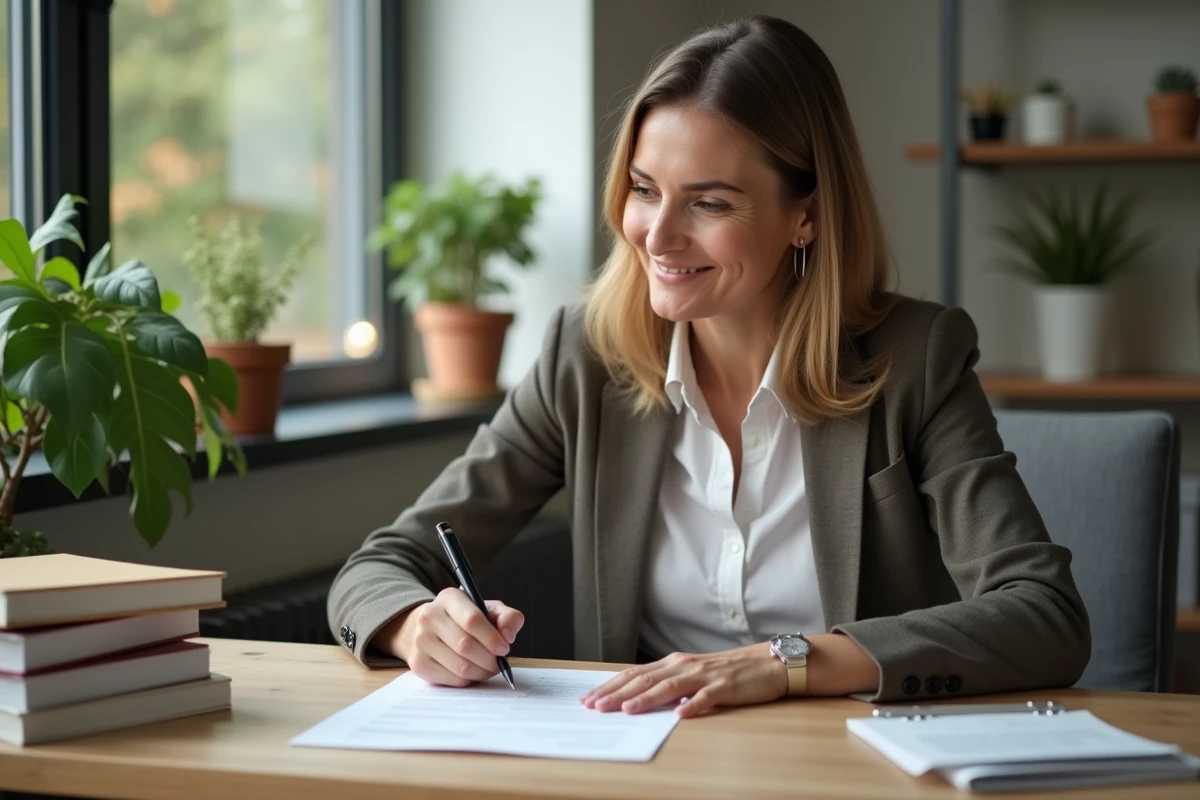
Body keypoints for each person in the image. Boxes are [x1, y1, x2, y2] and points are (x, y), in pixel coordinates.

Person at [327, 15, 1090, 718]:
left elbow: (1043, 614)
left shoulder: (916, 359)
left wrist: (784, 662)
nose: (657, 236)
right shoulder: (584, 355)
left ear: (808, 215)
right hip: (647, 760)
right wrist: (415, 622)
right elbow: (383, 565)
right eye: (644, 189)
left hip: (849, 766)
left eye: (710, 204)